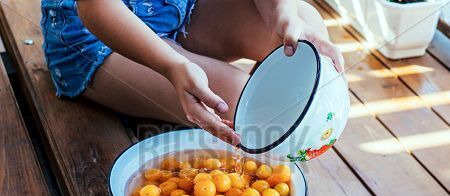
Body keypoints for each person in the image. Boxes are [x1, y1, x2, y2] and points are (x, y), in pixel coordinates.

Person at [41, 0, 344, 145]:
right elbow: (97, 9)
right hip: (100, 38)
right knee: (241, 103)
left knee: (304, 22)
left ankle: (282, 142)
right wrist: (173, 66)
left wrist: (282, 14)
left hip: (178, 9)